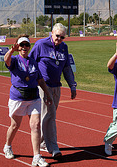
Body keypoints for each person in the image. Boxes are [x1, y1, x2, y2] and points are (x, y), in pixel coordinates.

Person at [3, 34, 52, 167]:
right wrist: (11, 51)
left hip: (34, 97)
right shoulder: (14, 60)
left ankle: (37, 156)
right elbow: (6, 60)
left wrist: (47, 93)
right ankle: (7, 146)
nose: (24, 47)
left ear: (29, 47)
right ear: (18, 47)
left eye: (27, 45)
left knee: (36, 125)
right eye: (22, 45)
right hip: (18, 97)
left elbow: (40, 79)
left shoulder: (33, 61)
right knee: (15, 125)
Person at [29, 23, 77, 159]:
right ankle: (53, 147)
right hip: (43, 86)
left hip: (57, 86)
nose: (59, 39)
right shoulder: (40, 45)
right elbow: (30, 62)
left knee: (48, 115)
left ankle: (43, 142)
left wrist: (72, 86)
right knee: (51, 115)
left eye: (62, 37)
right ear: (51, 33)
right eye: (57, 36)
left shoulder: (64, 47)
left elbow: (67, 68)